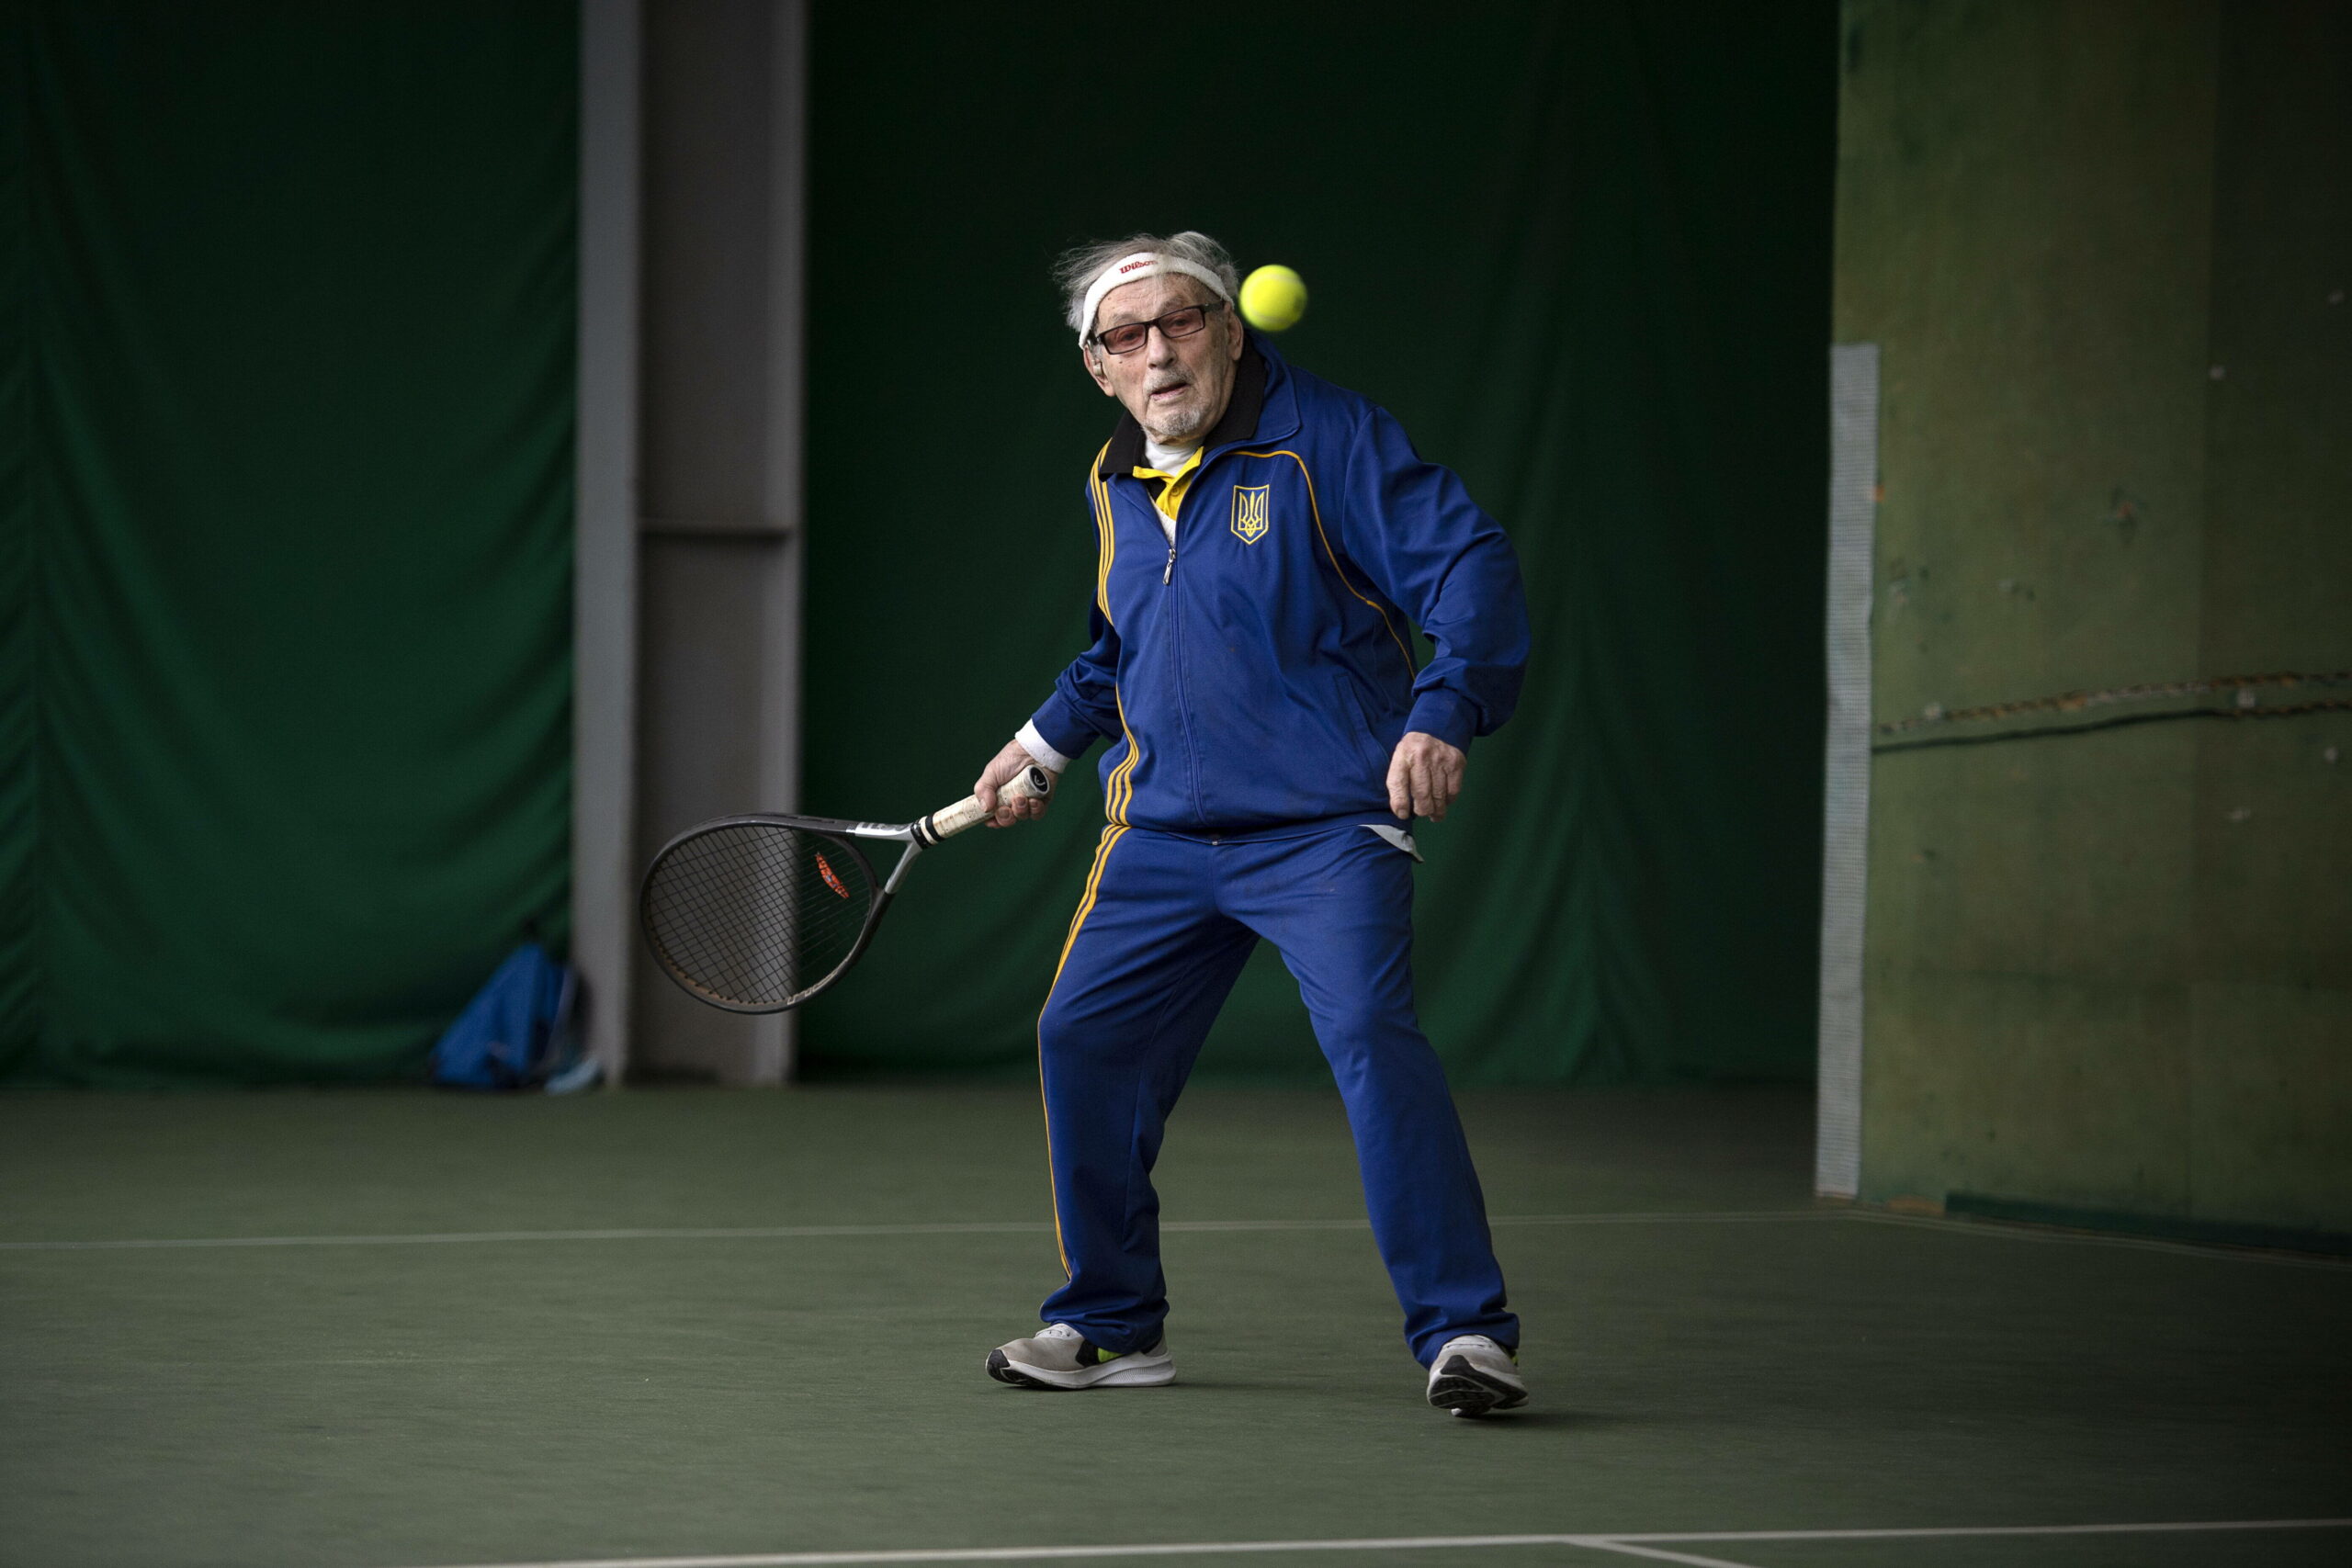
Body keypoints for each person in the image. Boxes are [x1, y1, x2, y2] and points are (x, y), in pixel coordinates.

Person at [970, 231, 1532, 1416]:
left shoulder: (1331, 440)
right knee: (1082, 1039)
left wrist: (1445, 708)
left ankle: (1464, 1335)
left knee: (1374, 1039)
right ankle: (1113, 1325)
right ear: (1097, 366)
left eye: (1183, 323)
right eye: (1129, 337)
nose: (1159, 353)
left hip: (1325, 826)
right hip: (1163, 835)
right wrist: (1037, 749)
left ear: (1231, 329)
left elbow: (1469, 563)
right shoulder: (1112, 479)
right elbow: (1121, 647)